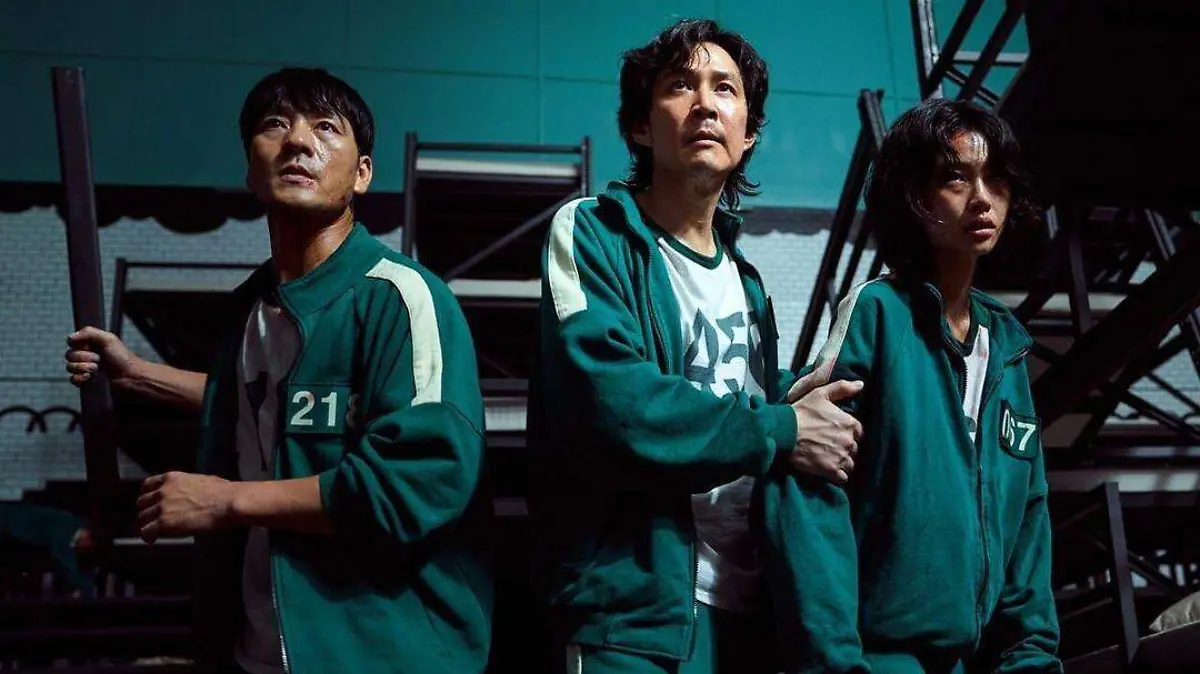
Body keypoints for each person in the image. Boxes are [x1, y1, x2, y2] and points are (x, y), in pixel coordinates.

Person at [65, 67, 492, 674]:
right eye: (275, 125)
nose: (297, 141)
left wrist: (228, 501)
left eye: (325, 127)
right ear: (250, 169)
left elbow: (417, 483)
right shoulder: (250, 309)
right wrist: (135, 374)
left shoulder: (400, 297)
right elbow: (261, 404)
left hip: (384, 654)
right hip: (258, 652)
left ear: (362, 174)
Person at [530, 19, 864, 674]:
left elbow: (759, 421)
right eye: (681, 86)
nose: (706, 104)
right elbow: (614, 405)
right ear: (639, 125)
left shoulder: (749, 284)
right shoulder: (593, 231)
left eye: (726, 89)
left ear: (749, 133)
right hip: (631, 617)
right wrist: (785, 427)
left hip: (748, 612)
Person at [762, 98, 1061, 672]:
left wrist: (1032, 657)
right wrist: (834, 661)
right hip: (879, 656)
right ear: (915, 197)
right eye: (955, 178)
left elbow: (1030, 516)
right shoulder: (879, 314)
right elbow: (808, 487)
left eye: (994, 177)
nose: (982, 198)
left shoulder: (1008, 346)